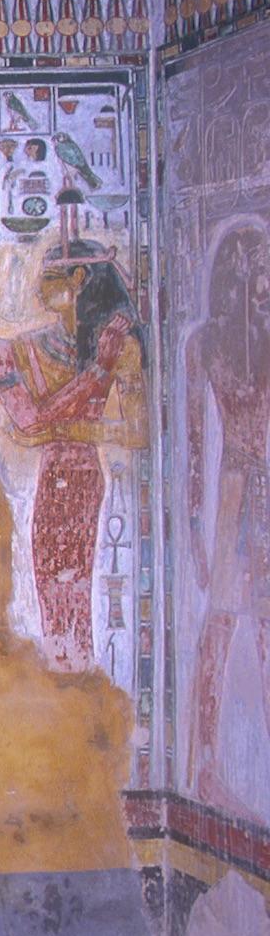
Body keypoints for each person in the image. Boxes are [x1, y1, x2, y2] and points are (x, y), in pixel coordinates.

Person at [0, 237, 146, 671]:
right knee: (49, 586)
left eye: (49, 278)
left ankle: (78, 676)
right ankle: (61, 674)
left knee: (76, 587)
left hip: (82, 478)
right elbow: (29, 423)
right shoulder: (32, 347)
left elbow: (138, 432)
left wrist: (64, 428)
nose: (38, 289)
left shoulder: (119, 346)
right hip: (52, 477)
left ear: (78, 278)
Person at [182, 223, 270, 814]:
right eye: (260, 266)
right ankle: (206, 764)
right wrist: (194, 530)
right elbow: (194, 448)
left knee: (261, 628)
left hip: (254, 486)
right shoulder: (205, 345)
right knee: (222, 621)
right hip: (236, 490)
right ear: (239, 270)